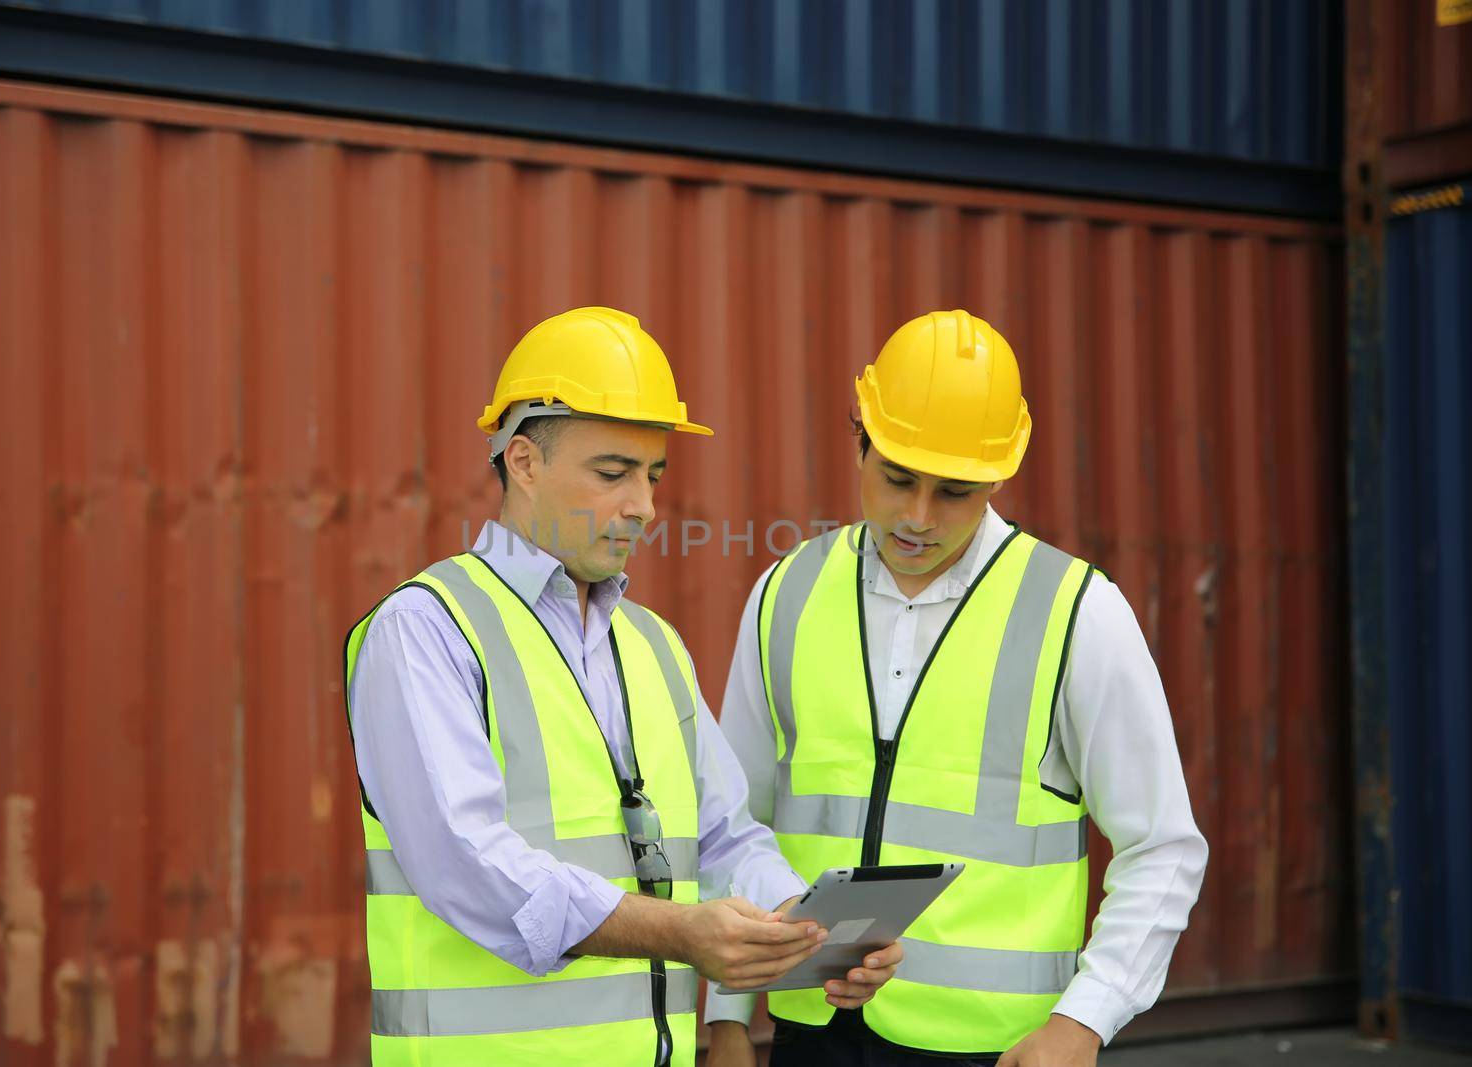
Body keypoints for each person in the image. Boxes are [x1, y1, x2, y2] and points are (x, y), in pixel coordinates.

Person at [342, 306, 902, 1067]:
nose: (643, 504)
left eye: (653, 475)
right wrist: (681, 932)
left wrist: (805, 929)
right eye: (612, 473)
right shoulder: (425, 630)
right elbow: (465, 863)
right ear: (523, 461)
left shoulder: (653, 646)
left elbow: (722, 836)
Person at [705, 310, 1208, 1067]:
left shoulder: (1077, 612)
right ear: (860, 441)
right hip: (809, 1042)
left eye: (955, 492)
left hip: (998, 1052)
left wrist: (1084, 1020)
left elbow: (1162, 846)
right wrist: (728, 1020)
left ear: (1000, 476)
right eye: (897, 478)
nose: (916, 517)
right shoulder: (787, 593)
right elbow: (733, 821)